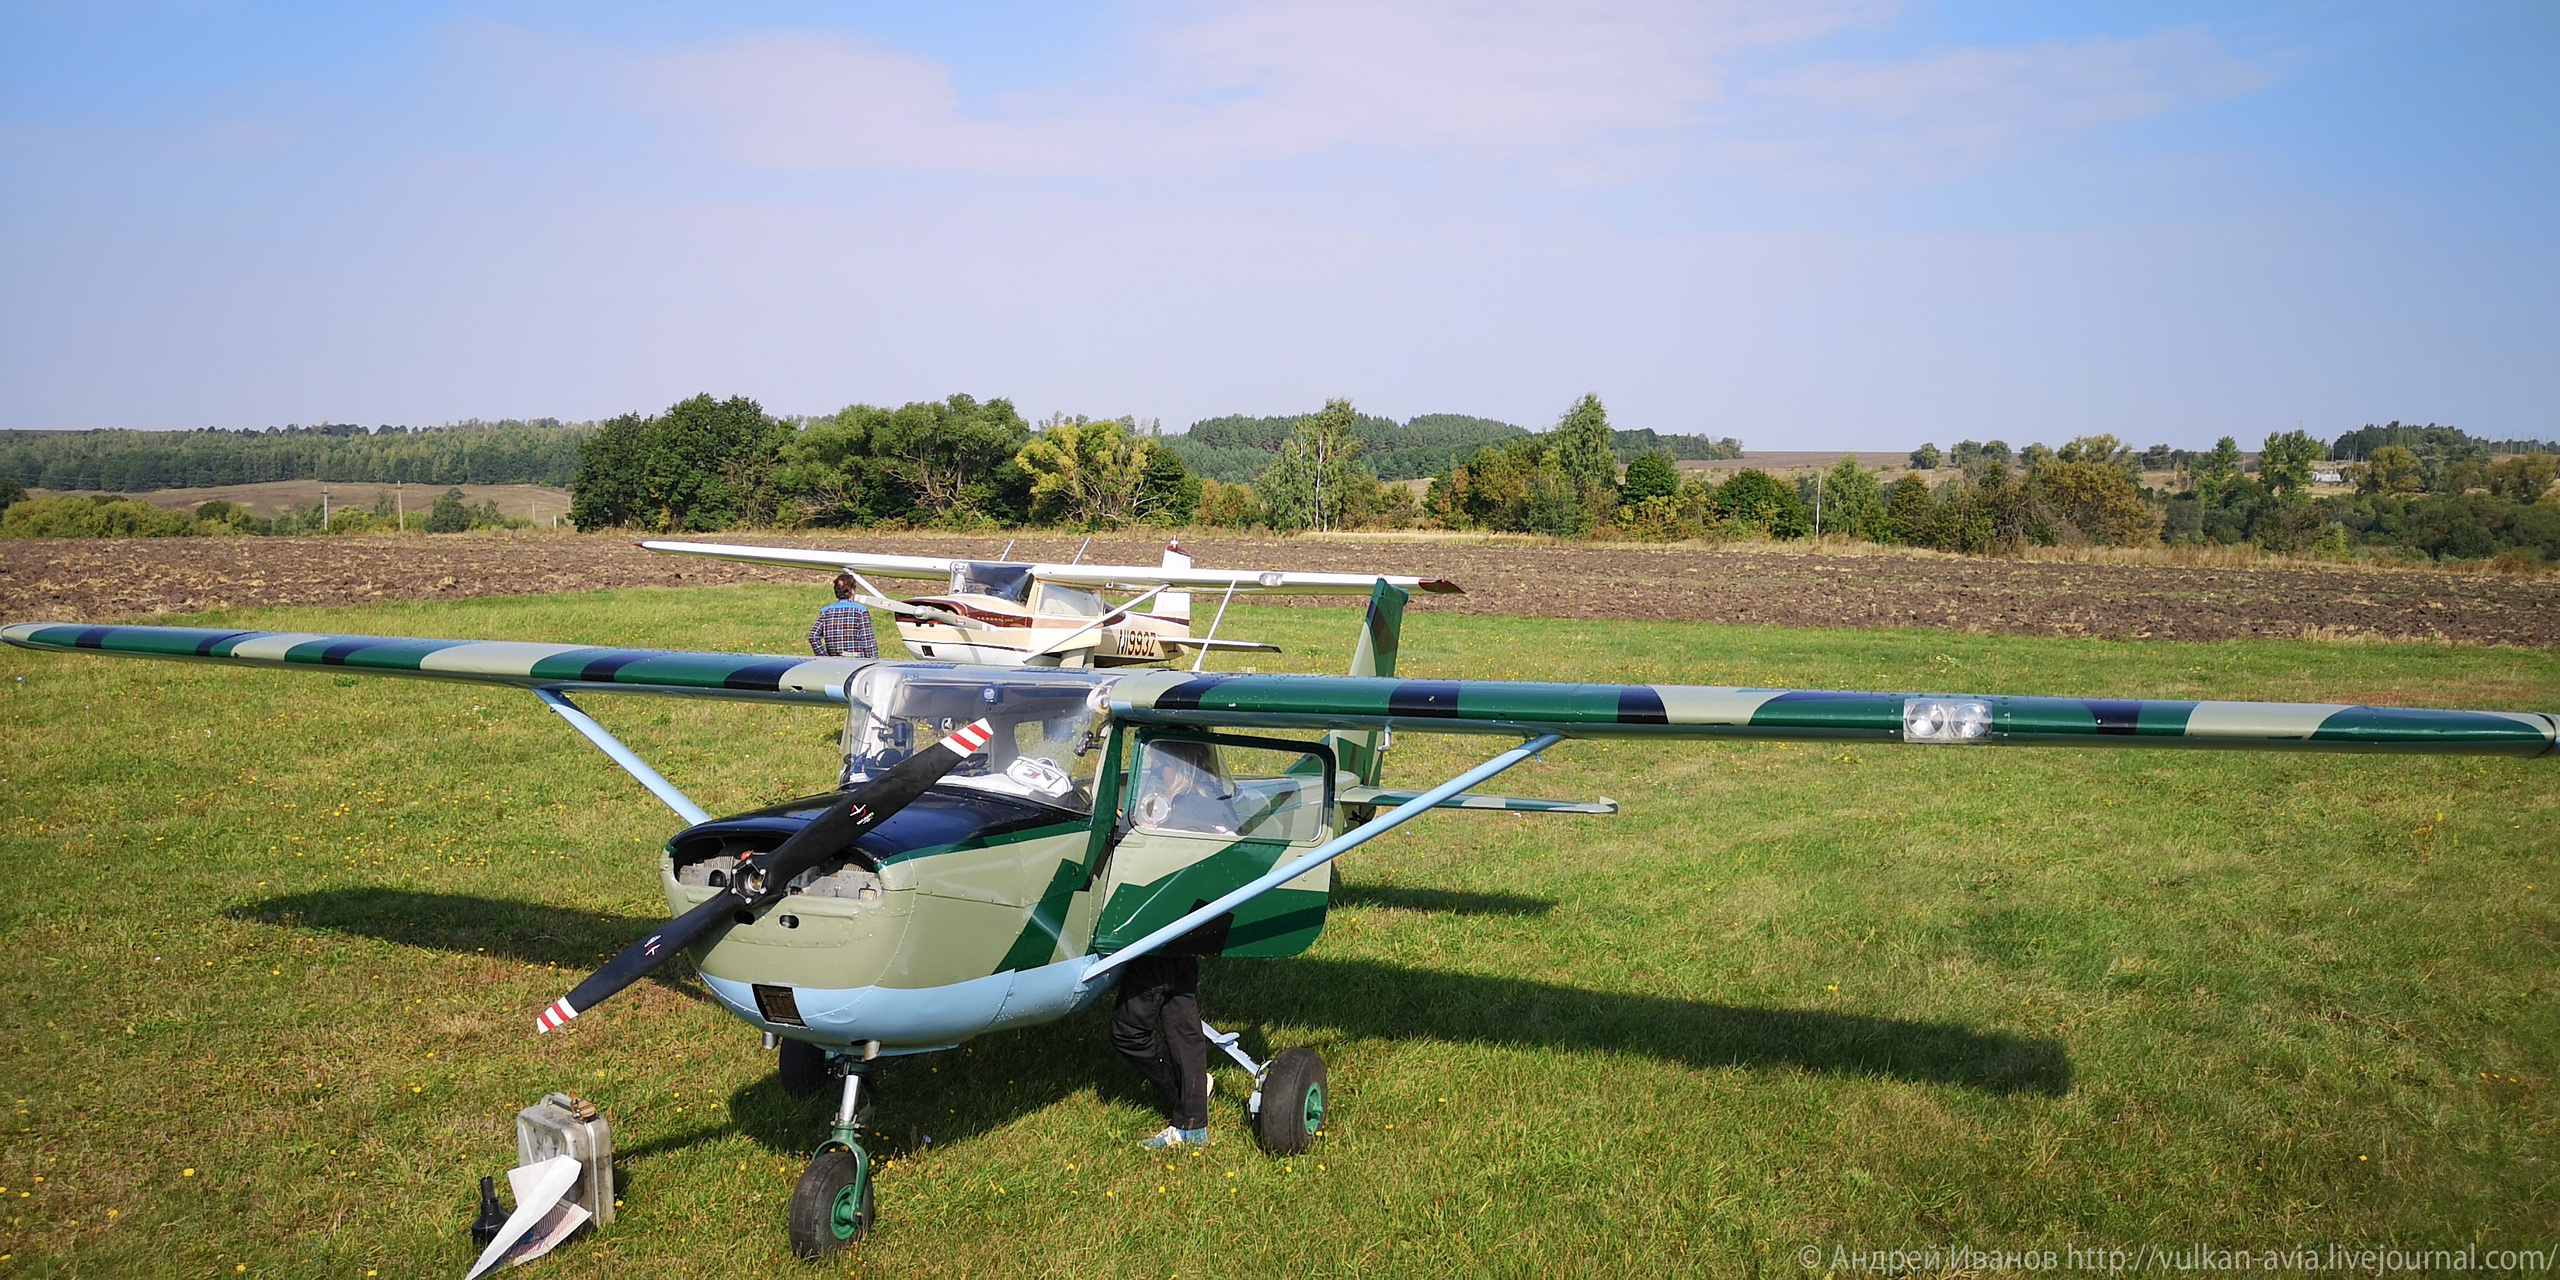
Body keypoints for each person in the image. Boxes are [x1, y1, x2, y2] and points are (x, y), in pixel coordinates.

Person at [1112, 953, 1210, 1149]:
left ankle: (1188, 1102)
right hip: (1184, 943)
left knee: (1128, 1033)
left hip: (1154, 953)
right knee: (1184, 1030)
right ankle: (1193, 1123)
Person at [807, 573, 880, 659]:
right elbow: (868, 642)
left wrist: (824, 657)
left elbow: (813, 636)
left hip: (834, 663)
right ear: (852, 591)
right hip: (857, 662)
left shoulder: (826, 611)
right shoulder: (860, 611)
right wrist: (873, 661)